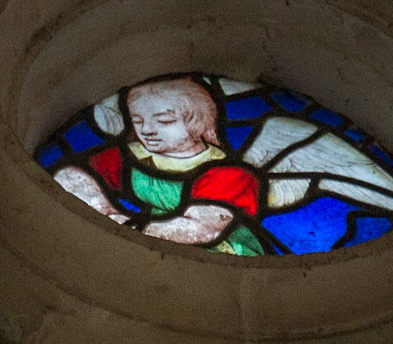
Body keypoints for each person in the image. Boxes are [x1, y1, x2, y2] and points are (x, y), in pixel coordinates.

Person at [54, 74, 270, 251]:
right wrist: (106, 211)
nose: (147, 130)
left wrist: (128, 225)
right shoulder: (126, 157)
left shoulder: (230, 174)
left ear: (196, 122)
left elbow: (204, 230)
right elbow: (69, 176)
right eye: (138, 121)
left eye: (164, 121)